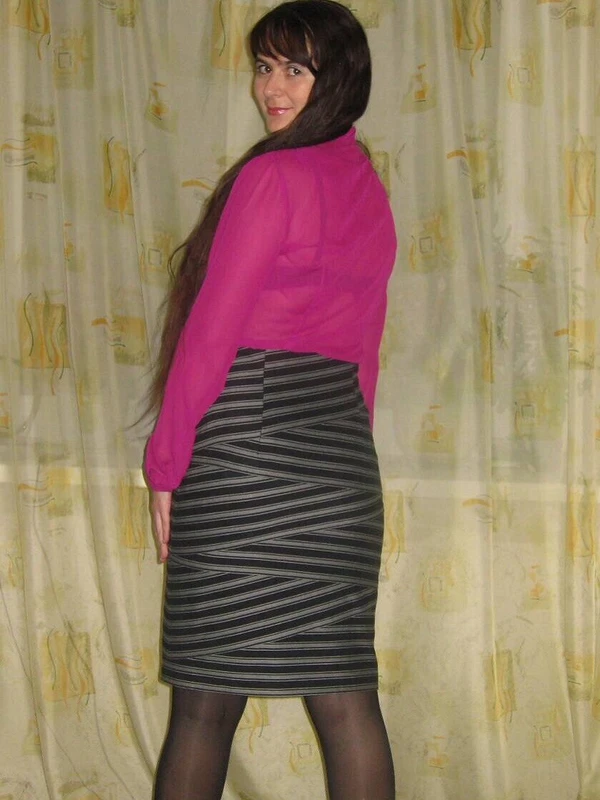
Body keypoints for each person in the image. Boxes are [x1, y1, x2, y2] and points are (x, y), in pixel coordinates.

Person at [145, 1, 397, 798]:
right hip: (341, 461)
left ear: (338, 76)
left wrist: (166, 462)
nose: (272, 88)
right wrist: (345, 455)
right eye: (263, 67)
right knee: (347, 703)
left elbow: (212, 333)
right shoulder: (369, 188)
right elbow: (366, 354)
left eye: (295, 69)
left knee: (203, 708)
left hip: (246, 455)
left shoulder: (271, 177)